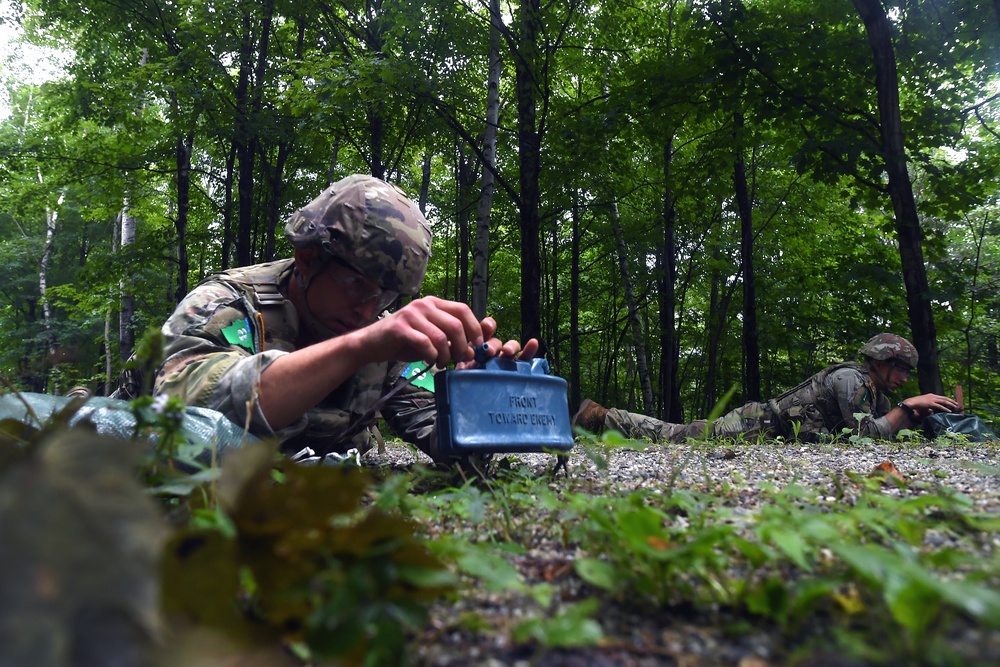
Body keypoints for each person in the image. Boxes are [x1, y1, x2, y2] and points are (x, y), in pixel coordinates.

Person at [151, 174, 538, 463]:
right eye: (356, 286)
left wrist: (473, 399)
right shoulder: (226, 305)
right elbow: (183, 411)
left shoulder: (381, 334)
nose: (369, 312)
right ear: (308, 258)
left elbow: (440, 437)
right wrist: (359, 347)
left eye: (386, 296)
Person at [572, 333, 959, 443]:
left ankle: (603, 418)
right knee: (682, 436)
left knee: (685, 434)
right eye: (900, 368)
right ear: (880, 360)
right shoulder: (851, 380)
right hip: (757, 423)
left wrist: (913, 415)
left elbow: (877, 434)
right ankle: (603, 417)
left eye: (908, 372)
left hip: (767, 427)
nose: (904, 378)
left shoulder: (874, 392)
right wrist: (907, 408)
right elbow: (864, 434)